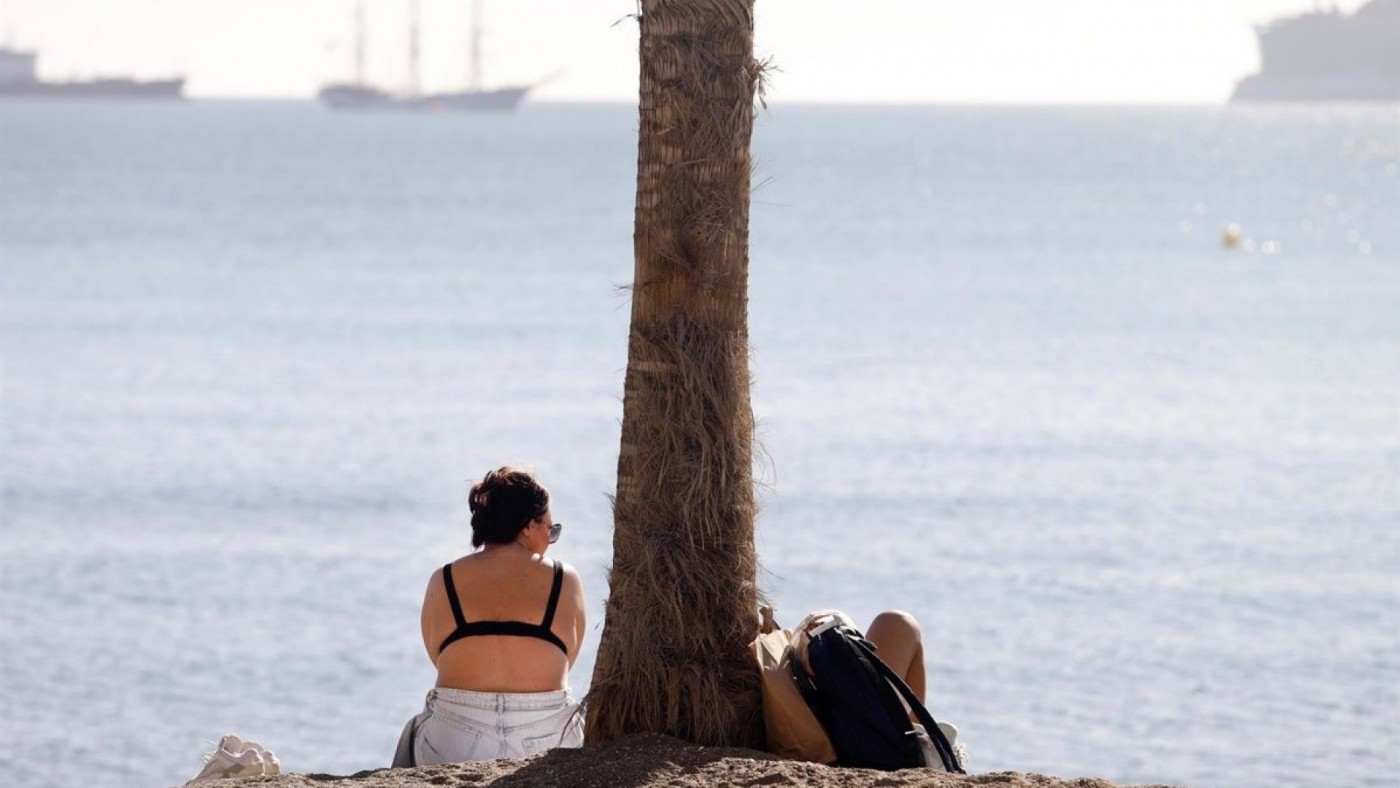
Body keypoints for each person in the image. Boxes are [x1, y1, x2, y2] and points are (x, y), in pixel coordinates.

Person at [396, 467, 587, 765]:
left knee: (413, 732)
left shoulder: (444, 579)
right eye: (550, 529)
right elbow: (567, 658)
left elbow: (438, 654)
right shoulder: (565, 578)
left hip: (453, 735)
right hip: (546, 731)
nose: (550, 540)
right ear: (527, 526)